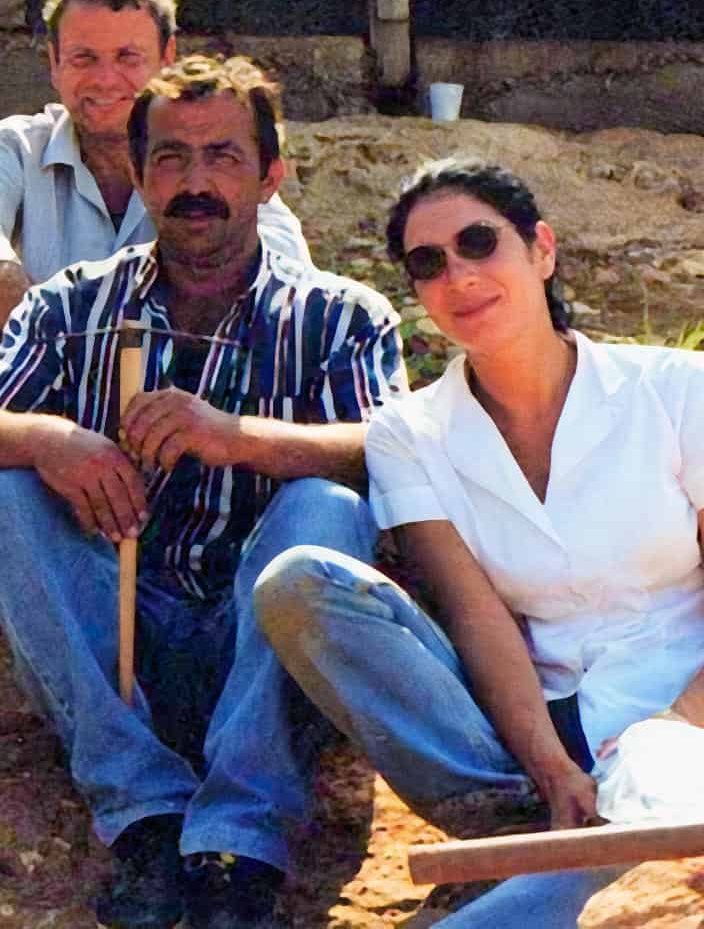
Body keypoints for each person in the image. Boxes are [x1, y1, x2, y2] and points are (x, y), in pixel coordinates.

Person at [0, 56, 405, 929]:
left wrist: (242, 439)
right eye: (172, 159)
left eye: (223, 158)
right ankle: (145, 817)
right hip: (115, 646)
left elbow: (395, 453)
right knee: (7, 494)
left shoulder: (341, 316)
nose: (196, 184)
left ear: (271, 176)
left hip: (267, 658)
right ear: (140, 176)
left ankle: (237, 842)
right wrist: (47, 438)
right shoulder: (74, 306)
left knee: (327, 508)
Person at [257, 157, 704, 926]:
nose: (458, 275)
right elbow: (475, 615)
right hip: (516, 731)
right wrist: (551, 767)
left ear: (541, 250)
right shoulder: (410, 430)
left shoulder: (676, 389)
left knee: (647, 816)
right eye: (428, 263)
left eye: (478, 242)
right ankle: (526, 825)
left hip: (679, 710)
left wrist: (679, 721)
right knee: (297, 581)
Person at [0, 0, 309, 397]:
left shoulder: (208, 160)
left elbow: (287, 280)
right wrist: (81, 347)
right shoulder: (14, 147)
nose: (105, 80)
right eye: (84, 58)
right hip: (40, 394)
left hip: (182, 396)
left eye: (127, 57)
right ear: (55, 63)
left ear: (166, 59)